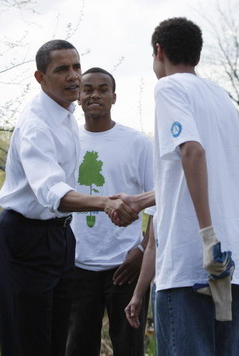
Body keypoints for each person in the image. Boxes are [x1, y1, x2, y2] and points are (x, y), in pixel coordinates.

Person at [116, 17, 239, 355]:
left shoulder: (169, 87)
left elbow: (192, 152)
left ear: (158, 50)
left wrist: (207, 236)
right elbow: (207, 174)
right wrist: (141, 201)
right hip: (235, 262)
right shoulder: (220, 96)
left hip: (192, 262)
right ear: (197, 53)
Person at [0, 40, 137, 356]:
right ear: (40, 77)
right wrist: (105, 203)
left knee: (57, 339)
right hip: (25, 237)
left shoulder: (65, 112)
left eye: (76, 66)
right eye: (62, 69)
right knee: (29, 341)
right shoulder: (37, 123)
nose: (73, 76)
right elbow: (51, 192)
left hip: (59, 236)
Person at [65, 67, 153, 356]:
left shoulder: (137, 143)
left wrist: (142, 250)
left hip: (125, 265)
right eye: (88, 88)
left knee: (129, 348)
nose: (95, 94)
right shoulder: (67, 142)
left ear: (114, 97)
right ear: (78, 96)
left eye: (103, 89)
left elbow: (159, 202)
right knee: (76, 347)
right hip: (76, 264)